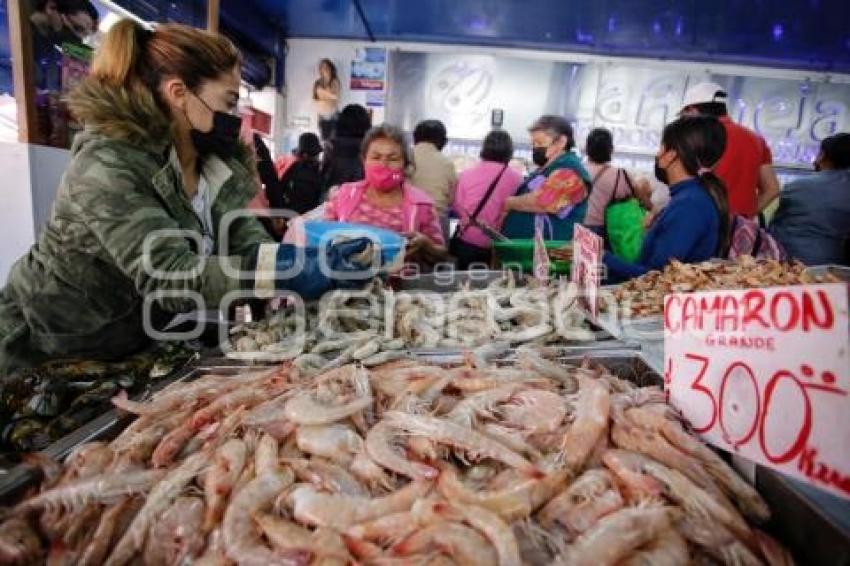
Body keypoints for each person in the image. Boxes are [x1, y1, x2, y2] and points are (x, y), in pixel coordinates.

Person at [0, 20, 372, 373]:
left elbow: (245, 242)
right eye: (228, 102)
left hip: (138, 341)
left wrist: (306, 260)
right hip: (48, 346)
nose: (235, 116)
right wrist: (287, 274)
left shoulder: (211, 162)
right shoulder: (107, 164)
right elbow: (168, 275)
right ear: (179, 93)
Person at [600, 115, 730, 281]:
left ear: (671, 155)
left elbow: (656, 278)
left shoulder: (689, 205)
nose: (658, 153)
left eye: (662, 146)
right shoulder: (689, 197)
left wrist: (601, 256)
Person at [324, 124, 447, 264]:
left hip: (400, 283)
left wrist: (426, 245)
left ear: (405, 164)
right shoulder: (343, 195)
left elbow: (441, 254)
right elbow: (322, 239)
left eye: (393, 159)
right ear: (364, 160)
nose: (383, 165)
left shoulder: (422, 205)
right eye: (376, 157)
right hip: (347, 280)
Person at [680, 81, 779, 218]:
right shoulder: (757, 140)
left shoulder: (696, 137)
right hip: (738, 230)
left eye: (683, 116)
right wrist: (745, 217)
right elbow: (772, 189)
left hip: (700, 223)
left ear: (691, 110)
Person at [501, 115, 591, 240]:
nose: (535, 148)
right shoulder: (547, 168)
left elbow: (544, 202)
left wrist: (510, 203)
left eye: (540, 143)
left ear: (561, 142)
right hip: (526, 248)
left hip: (548, 252)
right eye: (533, 143)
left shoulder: (570, 170)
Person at [770, 133, 850, 266]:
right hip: (835, 264)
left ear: (823, 156)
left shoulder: (797, 186)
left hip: (789, 260)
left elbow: (777, 222)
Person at [450, 130, 522, 269]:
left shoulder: (466, 174)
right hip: (500, 244)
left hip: (469, 240)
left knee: (466, 286)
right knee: (497, 286)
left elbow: (457, 206)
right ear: (509, 151)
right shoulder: (517, 179)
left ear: (484, 149)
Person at [410, 119, 458, 240]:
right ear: (443, 141)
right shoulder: (447, 163)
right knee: (437, 257)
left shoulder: (404, 157)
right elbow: (451, 199)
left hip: (407, 217)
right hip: (437, 220)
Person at [268, 132, 325, 216]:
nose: (317, 157)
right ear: (306, 155)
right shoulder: (316, 172)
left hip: (291, 214)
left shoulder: (294, 167)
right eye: (316, 154)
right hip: (307, 216)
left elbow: (280, 188)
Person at [323, 103, 371, 190]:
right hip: (362, 191)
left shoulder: (331, 145)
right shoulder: (370, 145)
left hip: (336, 191)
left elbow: (325, 172)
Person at [313, 58, 341, 141]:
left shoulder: (335, 81)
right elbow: (316, 98)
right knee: (324, 141)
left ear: (331, 68)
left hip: (333, 114)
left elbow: (336, 97)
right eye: (322, 67)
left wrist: (323, 94)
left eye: (327, 67)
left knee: (334, 141)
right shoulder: (318, 82)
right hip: (322, 115)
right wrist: (326, 95)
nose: (325, 69)